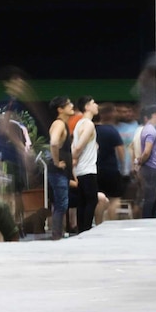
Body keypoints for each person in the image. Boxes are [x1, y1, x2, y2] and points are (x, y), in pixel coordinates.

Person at [47, 96, 75, 240]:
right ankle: (57, 236)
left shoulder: (62, 124)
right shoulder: (59, 124)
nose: (72, 106)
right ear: (60, 109)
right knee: (61, 205)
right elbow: (53, 143)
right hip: (57, 171)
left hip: (62, 172)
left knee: (61, 204)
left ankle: (58, 234)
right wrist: (57, 162)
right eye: (68, 104)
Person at [72, 96, 99, 233]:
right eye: (94, 103)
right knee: (91, 200)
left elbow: (74, 145)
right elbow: (78, 147)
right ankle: (86, 229)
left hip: (81, 169)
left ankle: (81, 229)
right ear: (87, 107)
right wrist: (75, 156)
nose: (97, 105)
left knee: (82, 201)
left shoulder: (79, 124)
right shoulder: (88, 124)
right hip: (88, 169)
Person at [95, 102, 125, 224]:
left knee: (98, 198)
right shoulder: (112, 131)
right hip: (111, 170)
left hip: (94, 170)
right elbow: (120, 151)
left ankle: (98, 223)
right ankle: (112, 224)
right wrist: (123, 167)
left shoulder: (90, 130)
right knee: (115, 199)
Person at [137, 103, 156, 219]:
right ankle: (147, 219)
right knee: (151, 198)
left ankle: (152, 217)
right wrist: (141, 161)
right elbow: (147, 151)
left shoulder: (150, 129)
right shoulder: (150, 131)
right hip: (151, 168)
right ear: (154, 115)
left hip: (152, 168)